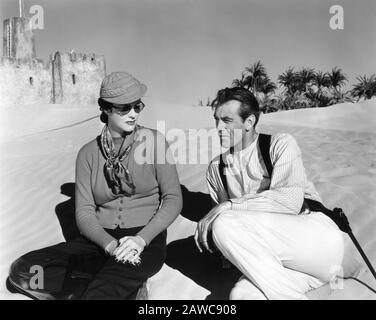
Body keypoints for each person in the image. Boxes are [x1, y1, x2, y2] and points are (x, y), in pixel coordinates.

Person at [8, 71, 182, 300]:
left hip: (143, 242)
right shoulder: (88, 154)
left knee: (100, 293)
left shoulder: (155, 142)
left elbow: (173, 199)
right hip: (100, 242)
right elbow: (84, 213)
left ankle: (98, 288)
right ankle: (104, 288)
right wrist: (110, 246)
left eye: (137, 106)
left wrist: (141, 240)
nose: (133, 114)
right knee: (25, 270)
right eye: (124, 108)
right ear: (106, 109)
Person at [194, 87, 344, 300]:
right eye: (216, 119)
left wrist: (229, 206)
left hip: (317, 245)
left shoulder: (280, 144)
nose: (218, 127)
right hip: (279, 266)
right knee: (241, 296)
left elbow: (290, 201)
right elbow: (232, 240)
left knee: (224, 222)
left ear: (249, 122)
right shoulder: (216, 169)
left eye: (226, 120)